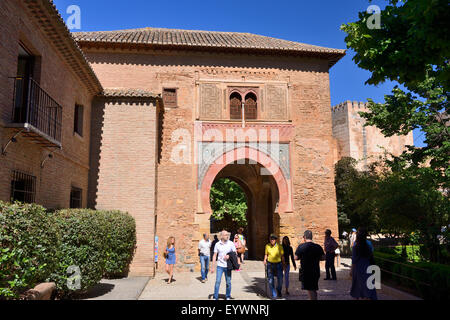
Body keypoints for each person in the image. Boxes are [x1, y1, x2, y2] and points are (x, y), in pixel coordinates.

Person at [295, 230, 325, 300]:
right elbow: (323, 257)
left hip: (306, 271)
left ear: (304, 237)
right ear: (312, 237)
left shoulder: (301, 246)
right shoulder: (317, 246)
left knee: (310, 289)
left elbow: (295, 257)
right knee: (313, 288)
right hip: (315, 271)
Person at [350, 228, 378, 300]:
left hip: (358, 269)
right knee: (368, 288)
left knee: (357, 287)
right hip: (367, 267)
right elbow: (371, 256)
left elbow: (354, 260)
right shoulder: (368, 245)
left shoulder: (355, 246)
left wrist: (351, 270)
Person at [210, 230, 237, 300]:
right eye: (225, 235)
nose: (227, 236)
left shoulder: (231, 243)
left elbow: (235, 253)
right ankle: (215, 297)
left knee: (228, 282)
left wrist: (229, 256)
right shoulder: (217, 244)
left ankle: (227, 296)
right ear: (221, 236)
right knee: (217, 282)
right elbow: (214, 255)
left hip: (228, 266)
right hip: (220, 266)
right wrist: (212, 267)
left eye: (227, 234)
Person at [264, 234, 285, 299]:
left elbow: (282, 256)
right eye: (271, 239)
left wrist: (284, 265)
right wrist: (264, 260)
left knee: (280, 280)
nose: (272, 240)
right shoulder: (267, 246)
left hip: (279, 264)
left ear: (275, 240)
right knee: (270, 280)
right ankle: (274, 294)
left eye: (273, 239)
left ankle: (278, 290)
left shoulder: (280, 246)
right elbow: (266, 254)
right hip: (270, 264)